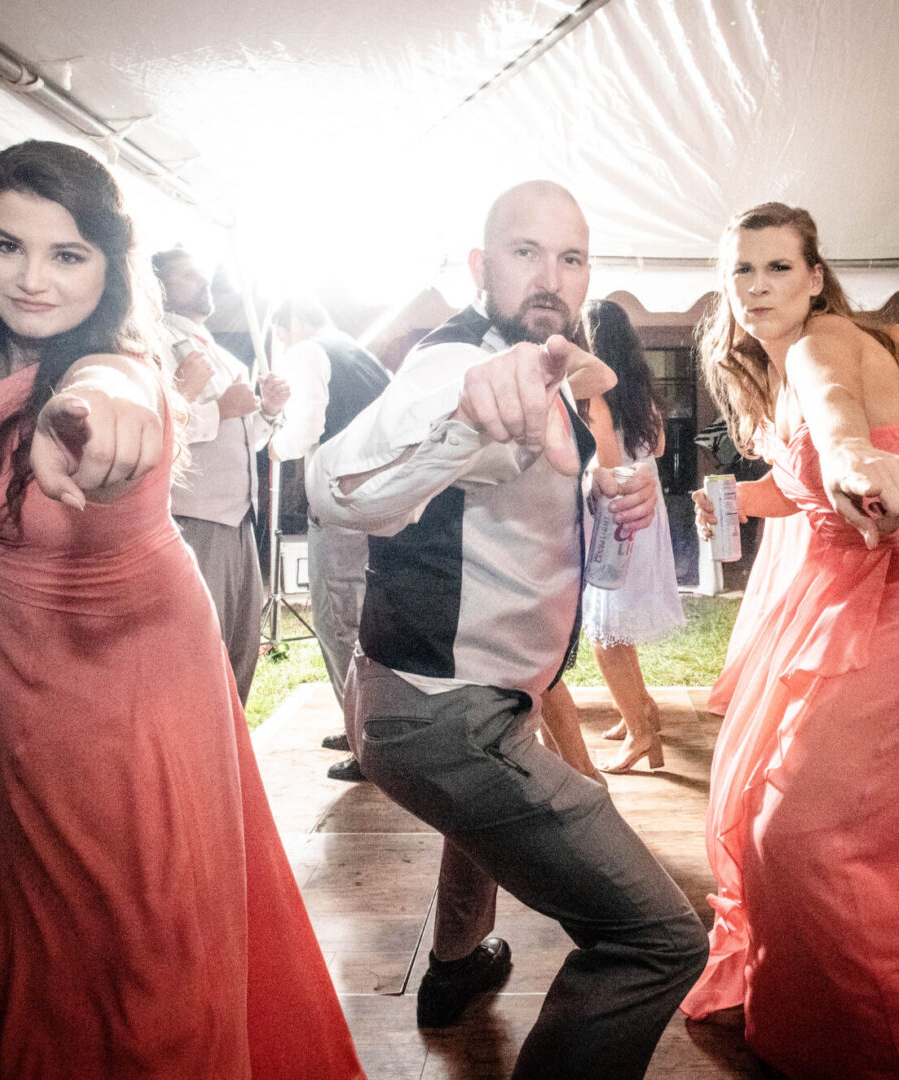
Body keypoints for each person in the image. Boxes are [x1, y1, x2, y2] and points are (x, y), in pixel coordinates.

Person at [0, 141, 361, 1079]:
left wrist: (86, 413)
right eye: (8, 246)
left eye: (68, 255)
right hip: (22, 692)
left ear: (110, 268)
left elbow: (110, 398)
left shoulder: (115, 372)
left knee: (144, 930)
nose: (33, 279)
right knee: (42, 912)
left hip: (130, 688)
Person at [307, 180, 706, 1080]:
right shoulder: (456, 365)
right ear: (481, 268)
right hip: (441, 712)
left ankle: (454, 966)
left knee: (478, 821)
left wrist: (614, 495)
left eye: (569, 258)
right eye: (526, 254)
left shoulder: (548, 364)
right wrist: (457, 421)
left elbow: (530, 510)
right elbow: (332, 490)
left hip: (471, 697)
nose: (549, 277)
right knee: (655, 939)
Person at [680, 203, 899, 1080]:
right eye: (740, 271)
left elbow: (838, 430)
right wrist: (743, 499)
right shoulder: (771, 367)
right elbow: (802, 476)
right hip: (864, 585)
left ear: (815, 277)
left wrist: (858, 462)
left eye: (776, 268)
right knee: (818, 817)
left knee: (806, 828)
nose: (755, 288)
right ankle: (828, 1019)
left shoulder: (821, 347)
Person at [152, 248, 288, 704]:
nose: (204, 281)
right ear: (161, 286)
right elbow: (151, 429)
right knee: (198, 647)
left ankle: (232, 756)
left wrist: (266, 411)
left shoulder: (227, 356)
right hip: (192, 518)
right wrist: (218, 409)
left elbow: (245, 440)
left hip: (238, 521)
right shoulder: (155, 346)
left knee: (241, 642)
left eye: (204, 274)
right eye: (189, 275)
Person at [269, 297, 390, 781]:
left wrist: (271, 445)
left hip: (341, 502)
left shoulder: (308, 351)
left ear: (292, 322)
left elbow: (305, 429)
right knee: (362, 620)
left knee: (338, 618)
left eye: (280, 337)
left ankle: (365, 742)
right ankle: (359, 720)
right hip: (378, 503)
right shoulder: (360, 354)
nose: (282, 347)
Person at [575, 298, 685, 773]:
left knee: (605, 635)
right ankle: (642, 712)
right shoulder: (642, 390)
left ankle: (641, 735)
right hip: (648, 510)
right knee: (617, 626)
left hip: (616, 516)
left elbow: (606, 463)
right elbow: (656, 446)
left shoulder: (596, 395)